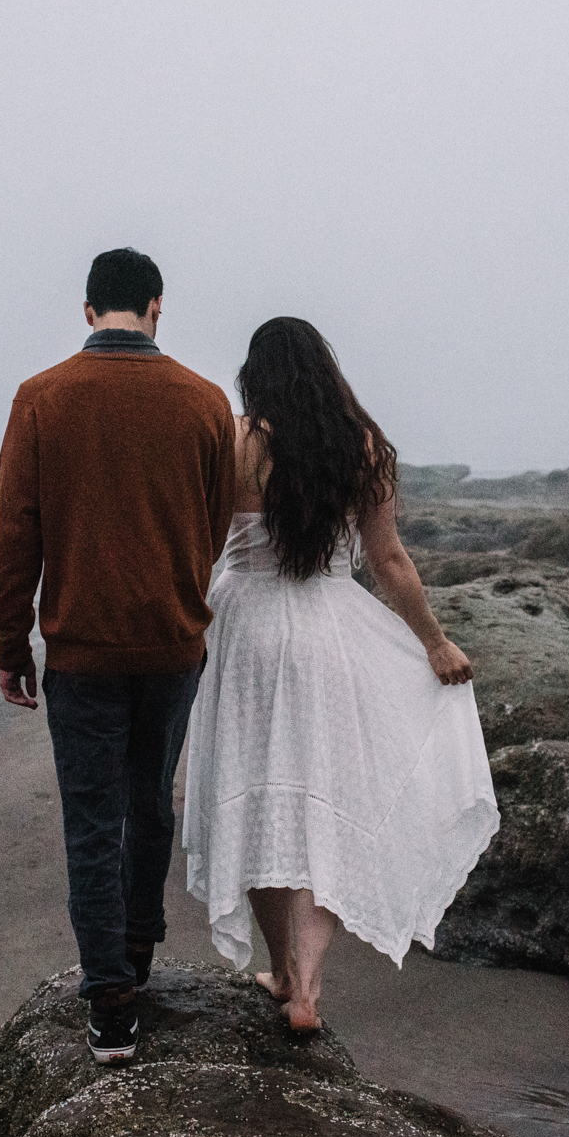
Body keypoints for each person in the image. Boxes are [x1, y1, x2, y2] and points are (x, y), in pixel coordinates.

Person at [181, 316, 499, 1033]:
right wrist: (435, 643)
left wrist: (175, 626)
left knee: (256, 796)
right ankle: (309, 988)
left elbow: (201, 552)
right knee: (322, 797)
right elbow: (388, 562)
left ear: (255, 374)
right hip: (330, 627)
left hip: (247, 629)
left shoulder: (233, 440)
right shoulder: (363, 446)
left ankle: (282, 969)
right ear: (325, 368)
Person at [0, 247, 236, 1065]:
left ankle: (111, 1004)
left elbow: (16, 534)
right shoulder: (205, 403)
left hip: (83, 649)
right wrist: (177, 598)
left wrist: (9, 639)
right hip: (172, 643)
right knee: (150, 803)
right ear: (156, 306)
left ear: (89, 310)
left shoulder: (41, 398)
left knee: (93, 821)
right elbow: (214, 526)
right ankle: (136, 957)